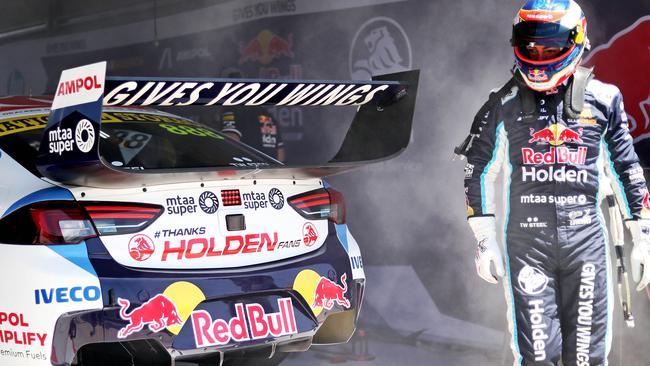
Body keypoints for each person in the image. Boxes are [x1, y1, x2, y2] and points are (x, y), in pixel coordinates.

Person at [459, 1, 650, 364]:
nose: (539, 54)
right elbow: (478, 168)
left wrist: (643, 238)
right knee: (538, 357)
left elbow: (627, 167)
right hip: (528, 246)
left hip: (586, 244)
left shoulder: (604, 99)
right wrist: (484, 240)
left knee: (586, 358)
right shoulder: (503, 104)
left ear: (575, 42)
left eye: (549, 47)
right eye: (531, 46)